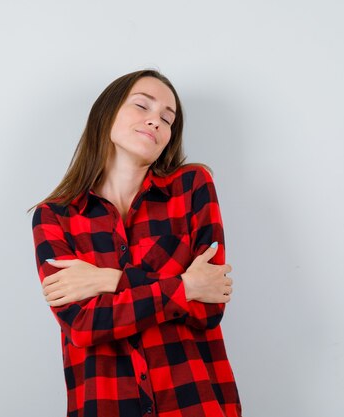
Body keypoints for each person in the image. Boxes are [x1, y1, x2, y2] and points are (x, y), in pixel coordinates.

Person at [31, 69, 241, 417]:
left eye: (167, 118)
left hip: (196, 403)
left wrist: (109, 280)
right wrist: (183, 287)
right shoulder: (54, 216)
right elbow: (83, 326)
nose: (155, 121)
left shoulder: (192, 186)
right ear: (106, 113)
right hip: (106, 404)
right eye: (142, 106)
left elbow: (209, 307)